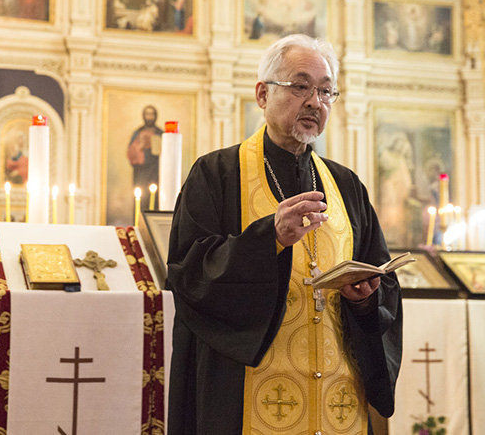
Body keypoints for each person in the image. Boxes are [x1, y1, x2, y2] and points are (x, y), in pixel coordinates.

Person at [166, 34, 402, 434]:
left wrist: (367, 299)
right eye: (300, 86)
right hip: (246, 395)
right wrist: (268, 238)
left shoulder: (347, 186)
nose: (315, 101)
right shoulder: (216, 175)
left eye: (326, 91)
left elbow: (382, 282)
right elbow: (189, 272)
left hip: (336, 398)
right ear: (262, 94)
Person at [127, 105, 163, 211]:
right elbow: (131, 152)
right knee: (141, 201)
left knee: (155, 201)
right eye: (147, 114)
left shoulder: (160, 133)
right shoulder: (137, 132)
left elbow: (164, 151)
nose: (149, 117)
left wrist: (153, 143)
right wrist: (139, 147)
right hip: (141, 173)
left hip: (155, 171)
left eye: (152, 114)